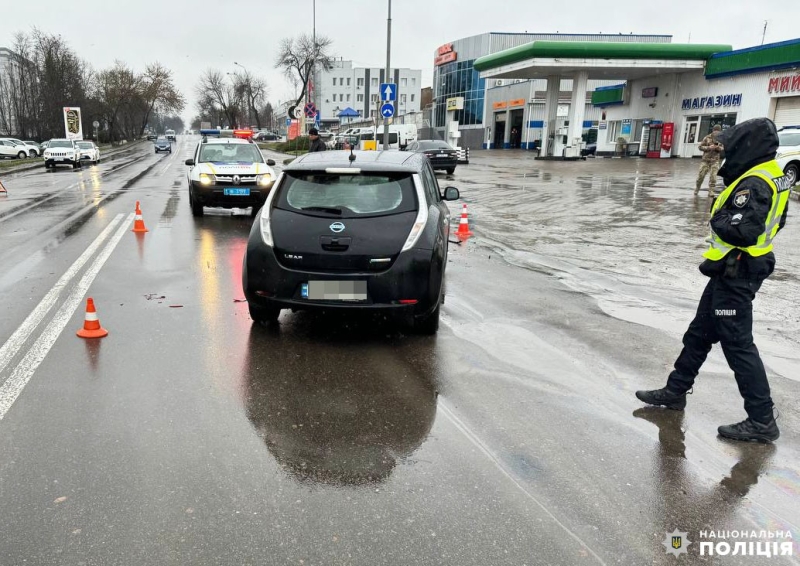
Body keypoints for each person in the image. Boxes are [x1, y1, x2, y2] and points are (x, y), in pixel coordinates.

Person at [636, 117, 791, 443]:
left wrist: (716, 216)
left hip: (738, 272)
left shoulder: (756, 182)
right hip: (729, 271)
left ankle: (762, 419)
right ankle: (675, 391)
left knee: (738, 346)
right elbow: (779, 222)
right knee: (699, 333)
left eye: (733, 145)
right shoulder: (774, 175)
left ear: (749, 146)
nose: (727, 151)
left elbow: (743, 229)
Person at [695, 124, 724, 196]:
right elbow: (700, 147)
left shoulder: (721, 138)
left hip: (715, 161)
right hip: (706, 160)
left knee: (713, 177)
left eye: (718, 131)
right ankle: (697, 188)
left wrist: (717, 148)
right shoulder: (707, 137)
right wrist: (708, 147)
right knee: (701, 176)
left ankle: (711, 191)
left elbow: (722, 148)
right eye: (715, 131)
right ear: (713, 130)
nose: (716, 132)